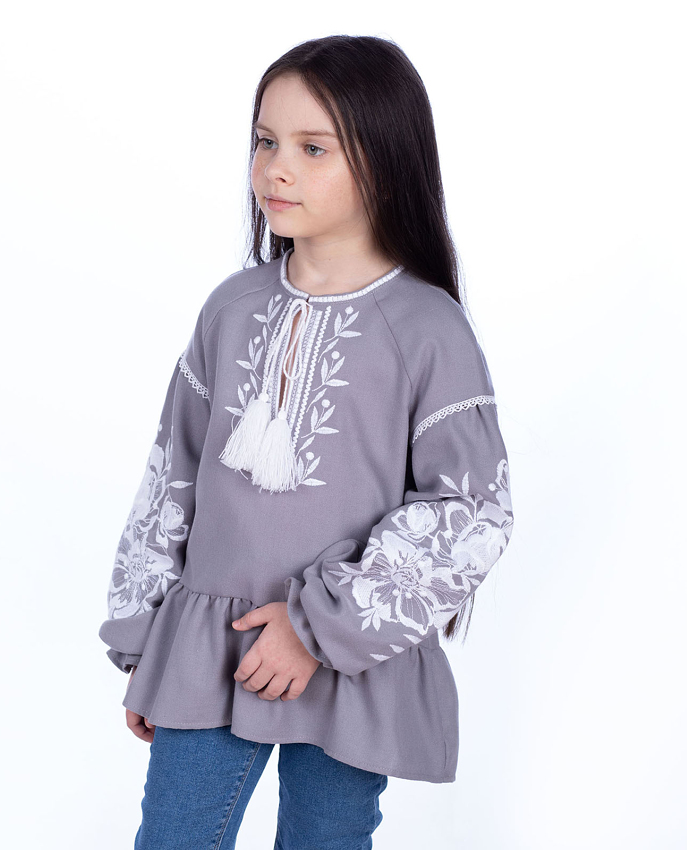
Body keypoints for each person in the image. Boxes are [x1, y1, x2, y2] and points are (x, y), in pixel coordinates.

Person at [98, 33, 515, 850]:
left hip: (346, 662)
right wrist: (145, 642)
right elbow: (172, 473)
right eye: (265, 141)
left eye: (312, 148)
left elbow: (471, 512)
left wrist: (319, 626)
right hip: (209, 652)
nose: (274, 169)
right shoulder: (231, 309)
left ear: (384, 160)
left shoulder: (428, 329)